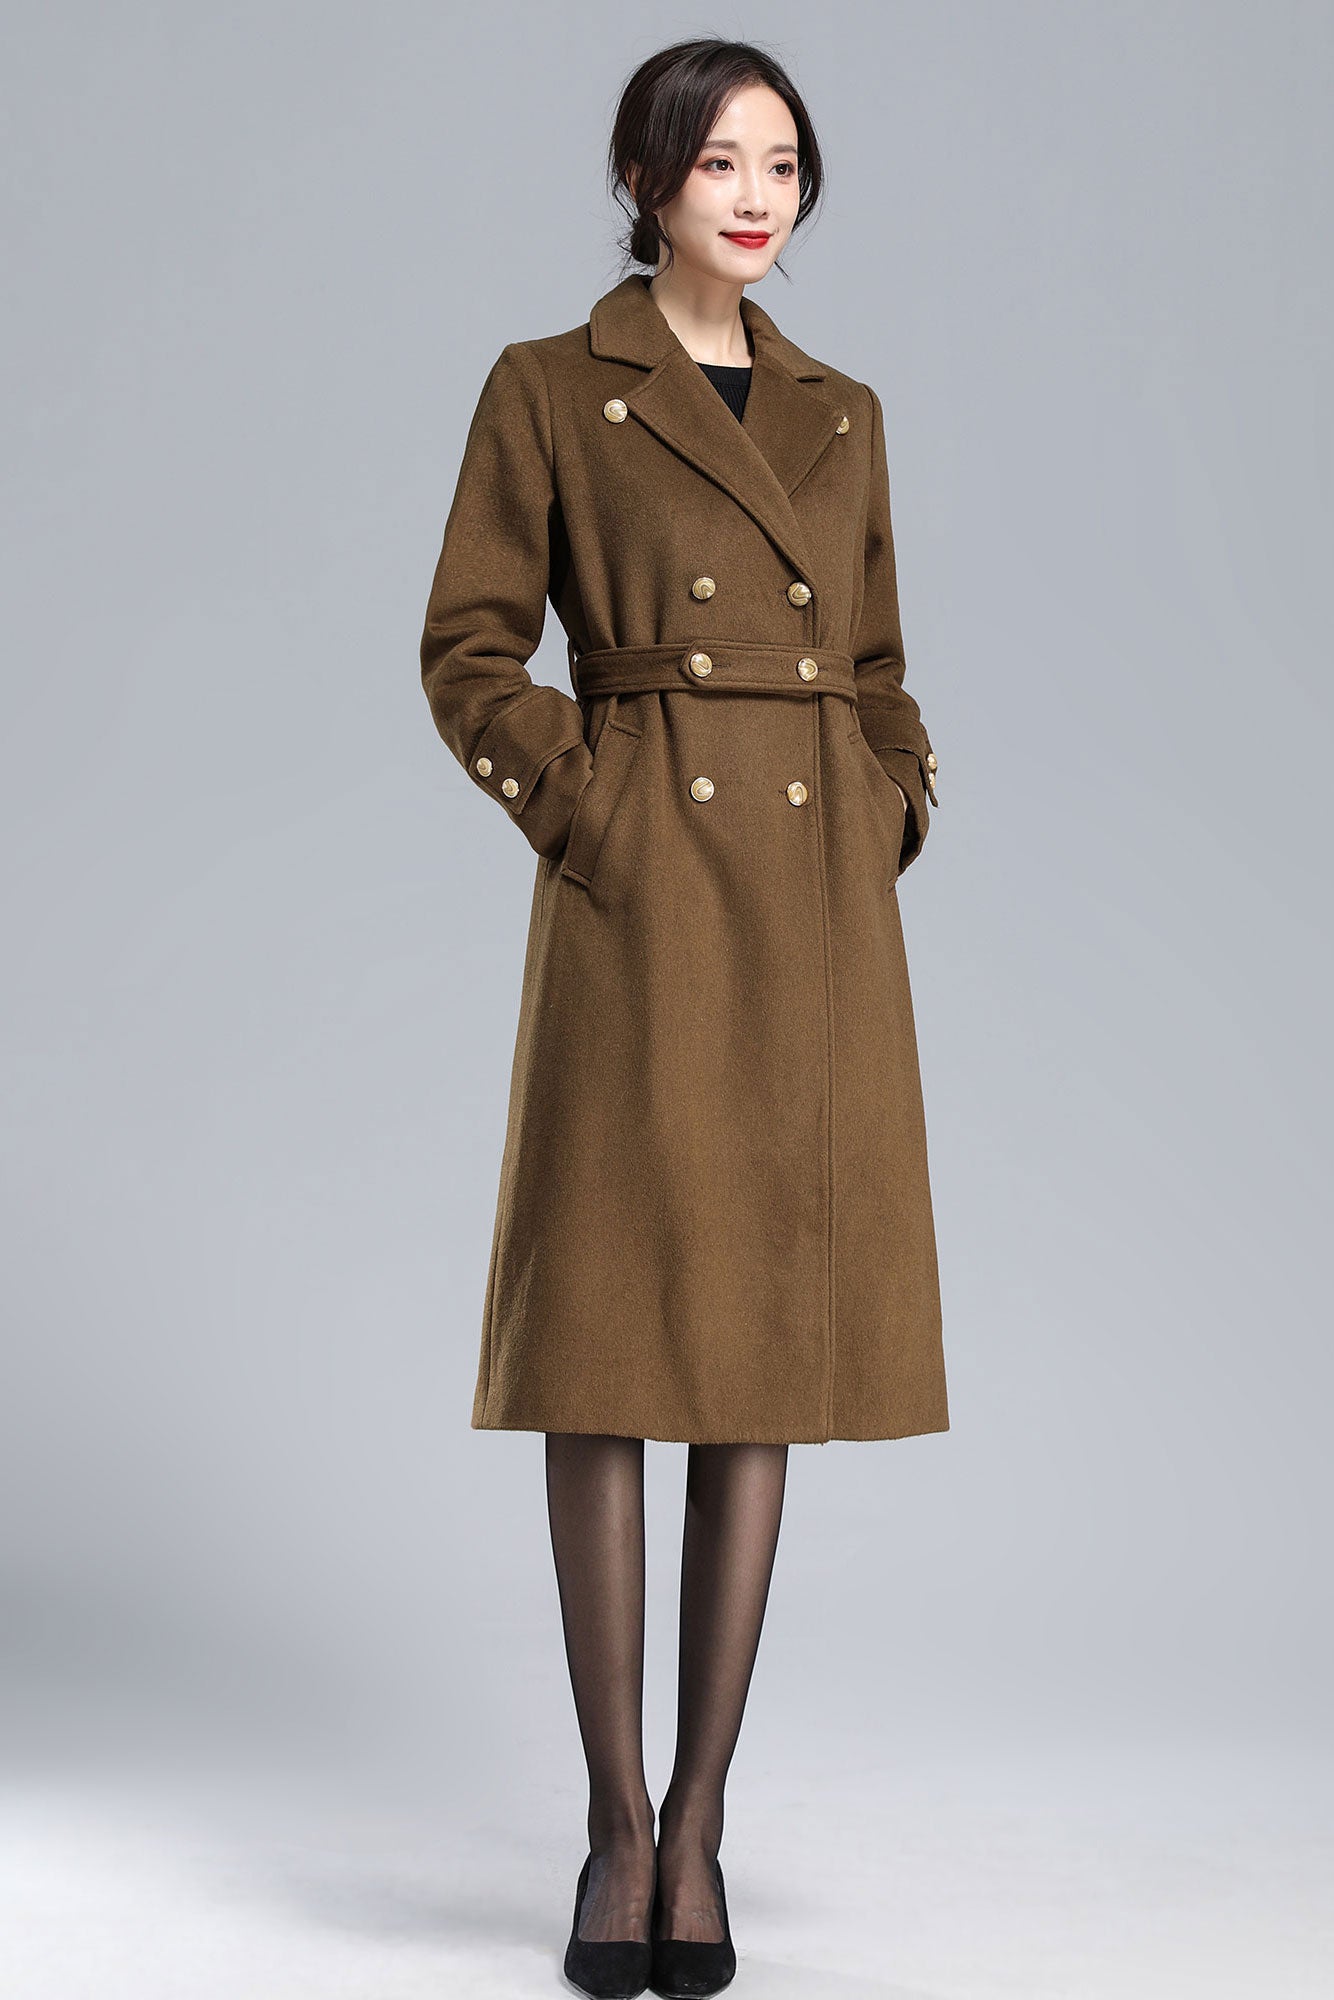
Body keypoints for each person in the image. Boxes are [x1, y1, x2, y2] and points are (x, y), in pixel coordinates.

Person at [419, 36, 948, 1999]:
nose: (753, 196)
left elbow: (875, 662)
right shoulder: (550, 387)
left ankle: (703, 1826)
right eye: (717, 161)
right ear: (643, 179)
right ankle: (614, 1826)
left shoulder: (841, 411)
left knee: (753, 1357)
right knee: (609, 1343)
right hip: (642, 901)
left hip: (805, 912)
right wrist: (595, 811)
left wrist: (888, 798)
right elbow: (470, 648)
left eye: (780, 164)